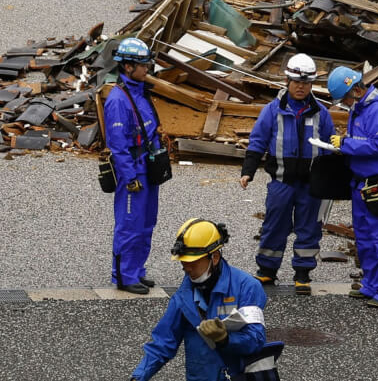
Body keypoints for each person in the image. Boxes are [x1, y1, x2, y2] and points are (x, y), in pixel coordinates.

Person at [130, 218, 282, 381]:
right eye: (183, 261)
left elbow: (256, 340)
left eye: (193, 262)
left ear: (214, 257)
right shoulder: (183, 296)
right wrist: (138, 377)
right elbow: (162, 344)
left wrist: (225, 339)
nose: (186, 268)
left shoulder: (247, 287)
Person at [240, 52, 335, 295]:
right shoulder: (272, 111)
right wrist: (248, 171)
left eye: (306, 83)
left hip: (311, 185)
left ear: (311, 84)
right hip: (281, 182)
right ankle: (267, 271)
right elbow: (258, 141)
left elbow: (330, 147)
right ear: (288, 81)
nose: (301, 87)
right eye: (297, 82)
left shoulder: (321, 113)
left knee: (309, 228)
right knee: (274, 226)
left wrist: (331, 179)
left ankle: (302, 274)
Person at [326, 65, 378, 308]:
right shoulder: (359, 109)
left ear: (357, 90)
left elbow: (377, 145)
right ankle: (372, 284)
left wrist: (346, 143)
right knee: (366, 239)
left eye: (345, 99)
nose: (345, 104)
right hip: (362, 185)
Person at [104, 36, 163, 295]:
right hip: (134, 172)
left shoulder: (140, 93)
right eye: (143, 65)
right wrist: (129, 176)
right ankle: (124, 276)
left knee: (146, 222)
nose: (147, 69)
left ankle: (137, 270)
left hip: (147, 169)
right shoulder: (118, 100)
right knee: (130, 224)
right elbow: (117, 145)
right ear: (128, 67)